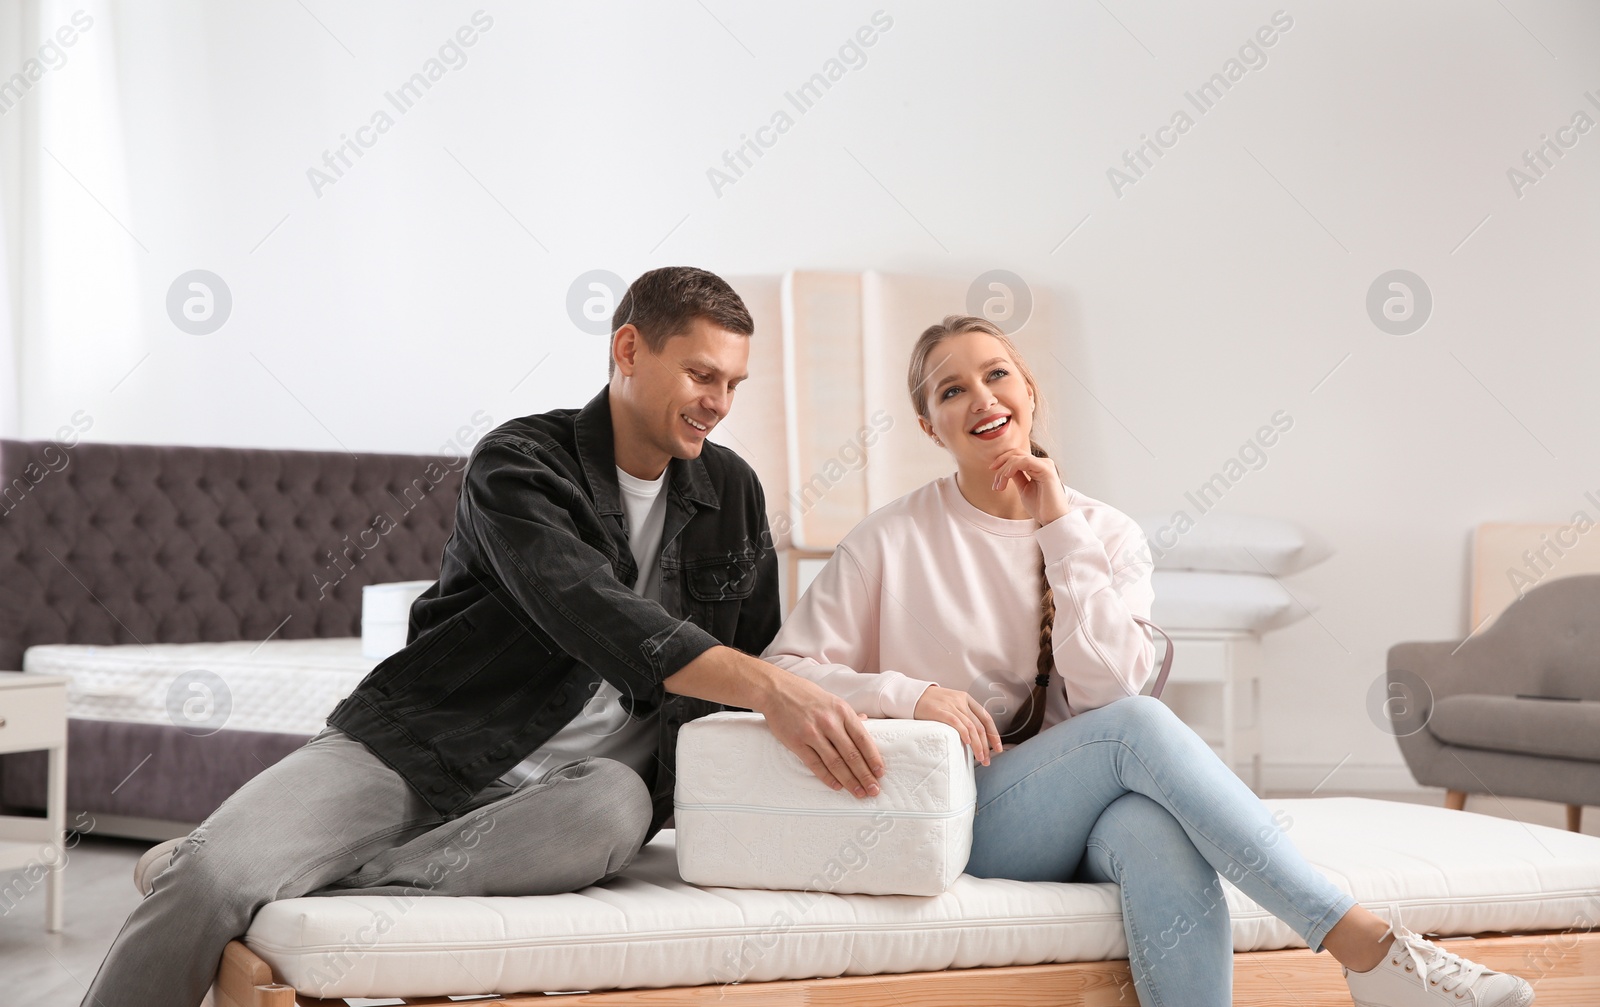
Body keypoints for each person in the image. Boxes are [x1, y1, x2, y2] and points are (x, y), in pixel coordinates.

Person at [82, 266, 887, 1007]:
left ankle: (298, 880)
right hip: (425, 747)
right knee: (212, 878)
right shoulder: (519, 460)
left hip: (565, 801)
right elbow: (591, 608)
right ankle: (226, 865)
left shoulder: (734, 491)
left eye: (733, 384)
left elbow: (755, 653)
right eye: (702, 374)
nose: (719, 401)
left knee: (617, 804)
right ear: (630, 350)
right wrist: (769, 687)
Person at [761, 314, 1536, 1007]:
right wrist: (911, 692)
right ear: (931, 426)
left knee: (1152, 828)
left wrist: (1060, 526)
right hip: (966, 811)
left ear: (1028, 391)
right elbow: (784, 669)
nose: (981, 396)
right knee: (1140, 727)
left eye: (996, 373)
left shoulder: (1105, 531)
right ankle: (1366, 946)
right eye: (951, 389)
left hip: (1084, 814)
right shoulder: (888, 538)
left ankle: (1373, 964)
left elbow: (1106, 684)